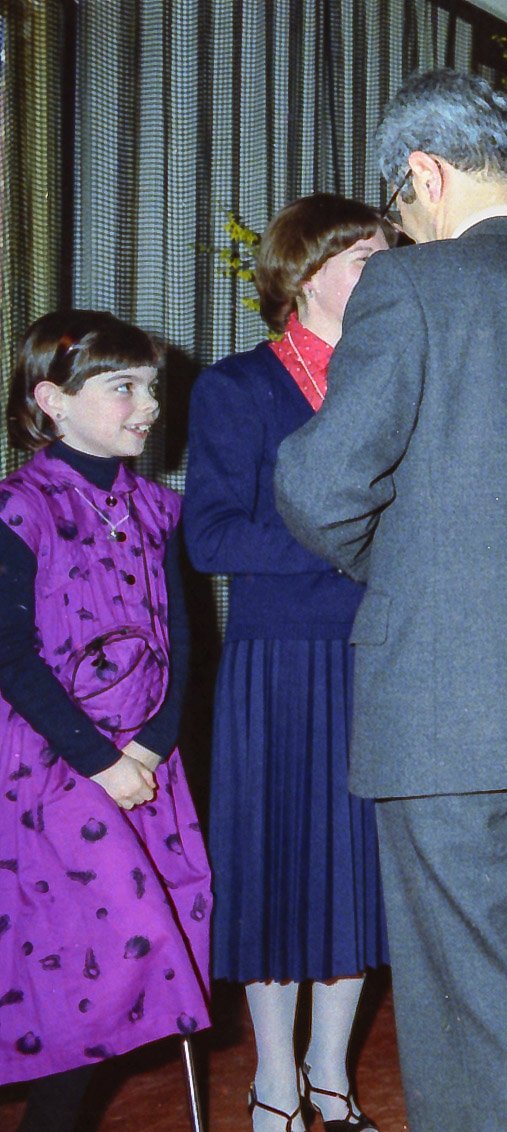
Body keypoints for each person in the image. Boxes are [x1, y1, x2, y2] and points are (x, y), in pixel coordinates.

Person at [273, 70, 507, 1130]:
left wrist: (407, 572)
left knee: (477, 1021)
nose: (401, 230)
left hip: (449, 704)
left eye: (399, 209)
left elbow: (320, 485)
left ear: (424, 173)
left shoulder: (413, 285)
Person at [183, 194, 390, 1131]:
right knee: (275, 873)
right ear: (306, 275)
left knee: (356, 872)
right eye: (364, 261)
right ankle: (275, 1087)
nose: (383, 276)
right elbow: (211, 536)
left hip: (378, 656)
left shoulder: (391, 380)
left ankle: (331, 1079)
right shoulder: (236, 387)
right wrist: (349, 548)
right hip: (278, 667)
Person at [0, 311, 212, 1130]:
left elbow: (183, 638)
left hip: (145, 762)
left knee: (135, 960)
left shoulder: (158, 509)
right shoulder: (19, 511)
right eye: (123, 387)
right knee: (94, 964)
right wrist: (100, 760)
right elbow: (10, 654)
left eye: (151, 387)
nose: (148, 406)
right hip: (56, 767)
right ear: (52, 400)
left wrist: (152, 745)